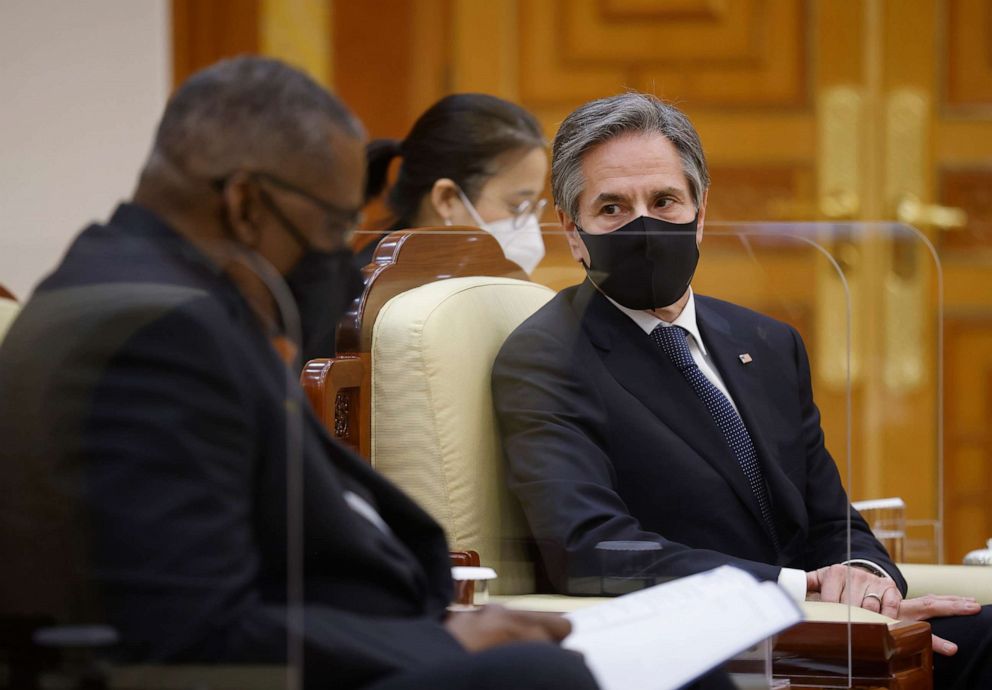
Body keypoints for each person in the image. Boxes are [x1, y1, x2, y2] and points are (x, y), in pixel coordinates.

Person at [0, 56, 603, 690]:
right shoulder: (152, 328)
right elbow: (190, 634)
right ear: (246, 204)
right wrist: (439, 643)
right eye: (336, 224)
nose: (342, 260)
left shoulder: (159, 292)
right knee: (540, 677)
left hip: (345, 639)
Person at [491, 92, 992, 690]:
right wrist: (801, 589)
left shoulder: (767, 340)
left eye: (664, 201)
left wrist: (864, 580)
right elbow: (591, 548)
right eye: (612, 208)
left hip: (824, 632)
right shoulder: (546, 356)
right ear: (573, 232)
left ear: (700, 215)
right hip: (702, 649)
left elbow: (831, 519)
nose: (644, 224)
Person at [355, 93, 548, 275]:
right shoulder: (371, 296)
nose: (530, 226)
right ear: (446, 198)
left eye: (534, 207)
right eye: (517, 206)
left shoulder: (469, 285)